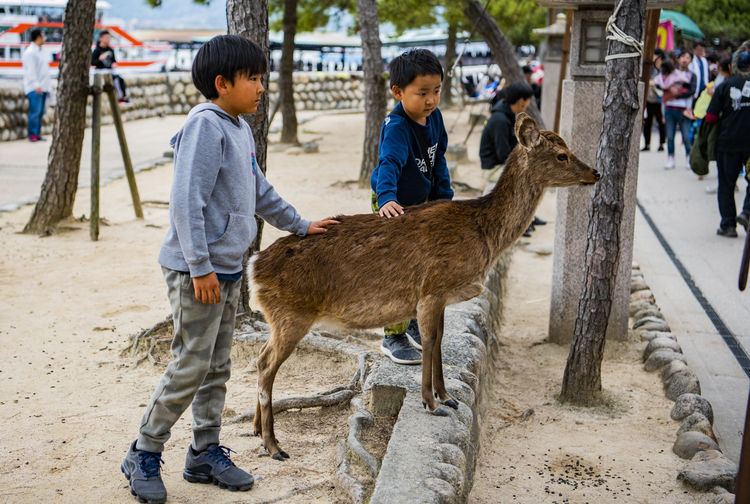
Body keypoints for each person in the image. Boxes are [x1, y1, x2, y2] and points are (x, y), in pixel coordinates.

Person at [120, 35, 338, 504]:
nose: (263, 87)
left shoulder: (238, 128)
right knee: (191, 363)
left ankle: (203, 451)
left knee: (217, 365)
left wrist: (300, 225)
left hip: (228, 269)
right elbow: (185, 204)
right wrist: (200, 268)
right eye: (254, 79)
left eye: (263, 78)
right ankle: (143, 449)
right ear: (222, 83)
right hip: (197, 272)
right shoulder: (206, 126)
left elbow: (260, 192)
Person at [370, 48, 454, 365]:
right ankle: (393, 335)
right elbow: (388, 163)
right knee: (398, 269)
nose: (431, 100)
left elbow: (439, 159)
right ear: (398, 92)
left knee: (427, 265)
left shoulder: (434, 118)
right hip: (393, 201)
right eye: (422, 93)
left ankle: (417, 320)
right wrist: (388, 198)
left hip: (422, 202)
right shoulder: (396, 126)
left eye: (436, 91)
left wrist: (444, 198)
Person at [478, 81, 544, 237]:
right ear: (522, 100)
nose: (529, 103)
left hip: (501, 164)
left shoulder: (506, 114)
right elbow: (503, 154)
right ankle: (520, 221)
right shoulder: (500, 120)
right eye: (528, 100)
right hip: (493, 168)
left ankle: (529, 217)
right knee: (529, 178)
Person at [704, 49, 750, 238]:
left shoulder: (724, 86)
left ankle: (728, 225)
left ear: (731, 67)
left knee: (726, 184)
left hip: (728, 143)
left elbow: (710, 116)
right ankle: (747, 212)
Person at [653, 52, 696, 169]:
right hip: (669, 109)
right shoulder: (669, 72)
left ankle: (689, 158)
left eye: (688, 57)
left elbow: (692, 90)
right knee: (670, 136)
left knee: (686, 136)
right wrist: (668, 88)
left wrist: (676, 94)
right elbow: (659, 84)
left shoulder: (692, 75)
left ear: (691, 61)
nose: (685, 60)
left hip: (684, 109)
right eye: (683, 57)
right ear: (678, 59)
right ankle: (670, 158)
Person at [22, 29, 51, 142]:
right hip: (35, 87)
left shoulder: (42, 51)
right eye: (43, 36)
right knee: (35, 112)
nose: (44, 39)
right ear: (38, 38)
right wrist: (35, 84)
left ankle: (37, 133)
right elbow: (30, 70)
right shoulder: (30, 52)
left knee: (40, 112)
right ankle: (32, 134)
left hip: (43, 86)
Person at [91, 30, 129, 103]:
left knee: (120, 79)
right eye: (106, 38)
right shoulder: (97, 50)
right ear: (101, 38)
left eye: (109, 38)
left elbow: (114, 61)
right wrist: (100, 59)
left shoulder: (110, 50)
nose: (108, 39)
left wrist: (114, 64)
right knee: (116, 80)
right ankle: (121, 97)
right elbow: (92, 62)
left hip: (110, 71)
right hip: (100, 72)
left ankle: (124, 96)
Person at [643, 48, 666, 152]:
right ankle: (647, 144)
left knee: (661, 122)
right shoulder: (649, 67)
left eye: (655, 55)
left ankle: (661, 143)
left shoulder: (664, 68)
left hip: (660, 100)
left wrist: (654, 83)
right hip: (649, 99)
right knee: (648, 122)